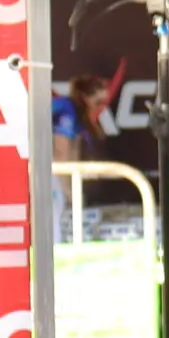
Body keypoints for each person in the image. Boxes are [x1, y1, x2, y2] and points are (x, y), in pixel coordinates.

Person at [48, 74, 110, 235]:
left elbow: (73, 153)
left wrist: (73, 185)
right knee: (55, 206)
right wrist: (66, 189)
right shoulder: (67, 110)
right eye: (98, 102)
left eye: (104, 103)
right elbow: (60, 153)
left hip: (53, 167)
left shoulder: (79, 114)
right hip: (43, 166)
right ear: (85, 98)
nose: (102, 108)